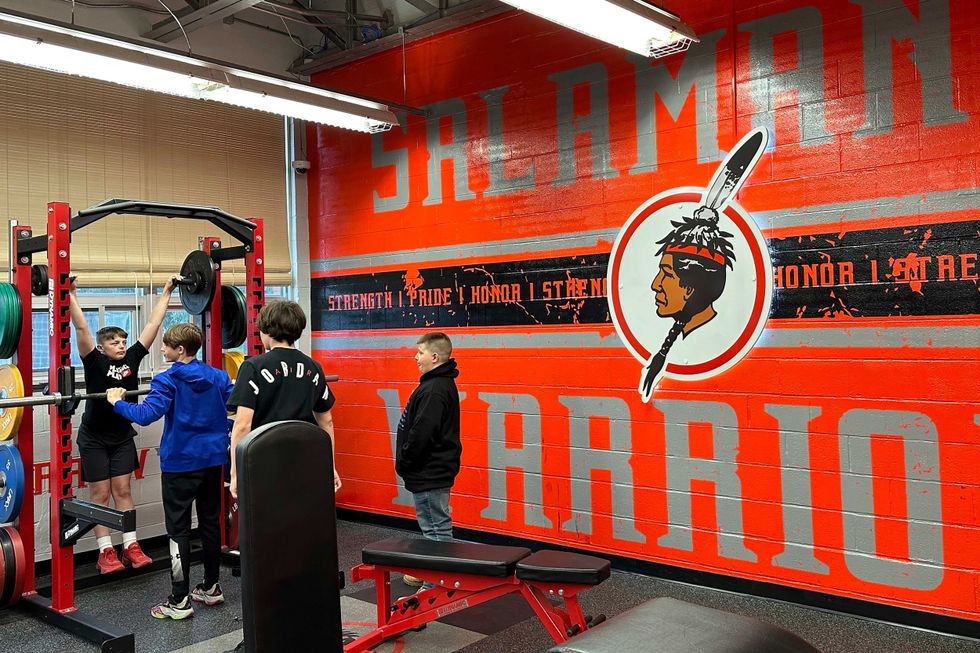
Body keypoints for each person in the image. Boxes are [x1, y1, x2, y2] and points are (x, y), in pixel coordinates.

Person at [226, 300, 340, 652]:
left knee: (265, 549)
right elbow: (327, 421)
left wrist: (234, 476)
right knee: (301, 543)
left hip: (265, 468)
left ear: (265, 331)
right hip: (306, 465)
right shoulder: (313, 367)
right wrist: (329, 466)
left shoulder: (254, 366)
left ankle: (269, 634)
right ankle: (301, 624)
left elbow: (242, 425)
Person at [108, 323, 233, 620]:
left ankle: (179, 601)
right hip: (213, 461)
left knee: (178, 532)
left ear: (180, 350)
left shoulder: (169, 379)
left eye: (165, 346)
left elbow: (146, 415)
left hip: (180, 465)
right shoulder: (219, 376)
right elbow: (236, 403)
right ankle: (212, 587)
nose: (161, 350)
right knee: (211, 524)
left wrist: (117, 402)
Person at [69, 276, 176, 574]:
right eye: (114, 342)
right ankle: (106, 552)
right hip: (93, 437)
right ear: (101, 348)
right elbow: (81, 327)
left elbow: (153, 326)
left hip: (120, 436)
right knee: (100, 494)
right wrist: (71, 294)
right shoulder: (93, 360)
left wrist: (166, 292)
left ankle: (130, 545)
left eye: (122, 341)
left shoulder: (132, 358)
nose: (120, 345)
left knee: (123, 490)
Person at [395, 332, 462, 590]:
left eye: (420, 353)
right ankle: (433, 573)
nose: (416, 357)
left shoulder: (435, 389)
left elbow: (422, 434)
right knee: (433, 526)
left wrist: (406, 462)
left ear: (435, 357)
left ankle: (436, 586)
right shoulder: (436, 384)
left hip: (429, 472)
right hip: (429, 471)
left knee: (436, 529)